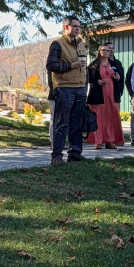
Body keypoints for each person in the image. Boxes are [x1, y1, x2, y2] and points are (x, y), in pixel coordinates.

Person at [46, 15, 89, 163]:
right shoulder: (57, 44)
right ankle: (57, 156)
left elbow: (85, 69)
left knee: (77, 123)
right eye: (75, 26)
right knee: (61, 123)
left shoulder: (81, 44)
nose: (78, 29)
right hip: (64, 88)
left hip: (80, 88)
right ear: (66, 27)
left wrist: (85, 86)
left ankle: (75, 154)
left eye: (79, 26)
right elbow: (51, 66)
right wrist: (71, 65)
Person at [86, 42, 124, 149]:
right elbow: (89, 78)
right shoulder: (93, 65)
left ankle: (110, 140)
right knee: (99, 117)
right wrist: (96, 81)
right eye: (103, 50)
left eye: (108, 50)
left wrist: (118, 78)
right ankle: (98, 141)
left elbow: (120, 76)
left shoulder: (114, 64)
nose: (106, 52)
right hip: (98, 94)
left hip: (112, 93)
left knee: (111, 116)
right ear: (99, 52)